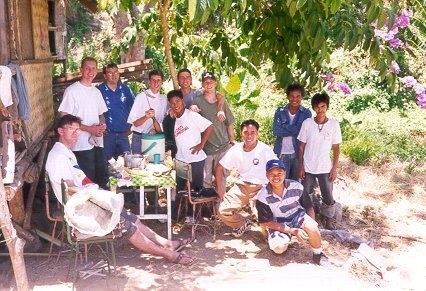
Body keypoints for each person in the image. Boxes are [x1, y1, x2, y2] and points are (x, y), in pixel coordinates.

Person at [45, 114, 194, 265]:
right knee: (128, 226)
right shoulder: (58, 156)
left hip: (88, 201)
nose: (75, 133)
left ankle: (166, 243)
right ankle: (169, 254)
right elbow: (70, 190)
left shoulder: (66, 152)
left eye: (77, 130)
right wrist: (97, 196)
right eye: (71, 129)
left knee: (130, 216)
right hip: (81, 209)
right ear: (60, 131)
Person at [255, 159, 327, 265]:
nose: (276, 177)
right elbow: (267, 222)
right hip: (278, 223)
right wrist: (293, 231)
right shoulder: (262, 196)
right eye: (272, 174)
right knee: (278, 248)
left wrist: (310, 227)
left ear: (285, 173)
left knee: (312, 227)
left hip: (297, 216)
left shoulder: (296, 186)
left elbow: (309, 207)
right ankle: (288, 239)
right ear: (267, 175)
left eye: (279, 173)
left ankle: (318, 254)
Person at [216, 119, 276, 237]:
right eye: (246, 132)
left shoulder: (265, 150)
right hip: (242, 185)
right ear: (241, 133)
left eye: (252, 132)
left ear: (257, 133)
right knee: (223, 210)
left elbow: (276, 170)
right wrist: (220, 190)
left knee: (263, 217)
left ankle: (273, 234)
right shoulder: (236, 149)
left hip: (261, 187)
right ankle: (242, 224)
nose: (249, 135)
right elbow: (219, 167)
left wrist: (272, 188)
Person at [58, 57, 108, 188]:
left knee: (100, 177)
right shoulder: (72, 91)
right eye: (87, 68)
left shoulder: (96, 92)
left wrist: (102, 126)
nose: (90, 71)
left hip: (97, 142)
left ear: (97, 71)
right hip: (79, 145)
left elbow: (101, 114)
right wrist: (89, 129)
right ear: (81, 70)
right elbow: (65, 117)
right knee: (86, 182)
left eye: (93, 68)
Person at [167, 89, 213, 223]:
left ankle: (195, 216)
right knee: (181, 189)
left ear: (182, 101)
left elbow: (209, 126)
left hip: (196, 159)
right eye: (172, 103)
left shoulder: (191, 115)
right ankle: (180, 214)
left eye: (177, 101)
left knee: (196, 189)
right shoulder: (173, 119)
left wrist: (201, 145)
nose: (175, 105)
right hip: (181, 159)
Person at [298, 93, 342, 229]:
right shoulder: (307, 123)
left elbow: (336, 148)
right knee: (306, 193)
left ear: (327, 107)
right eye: (317, 107)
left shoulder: (334, 125)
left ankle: (328, 220)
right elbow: (301, 146)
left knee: (328, 194)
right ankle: (309, 219)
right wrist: (301, 166)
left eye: (323, 106)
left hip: (325, 167)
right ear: (313, 108)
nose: (320, 109)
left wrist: (334, 168)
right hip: (308, 166)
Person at [163, 69, 226, 157]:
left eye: (187, 77)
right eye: (182, 77)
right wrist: (171, 110)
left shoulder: (199, 93)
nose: (185, 80)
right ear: (178, 80)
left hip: (198, 135)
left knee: (198, 158)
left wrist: (220, 109)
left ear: (191, 79)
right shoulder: (175, 96)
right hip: (180, 137)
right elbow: (169, 114)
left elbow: (221, 96)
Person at [192, 72, 235, 191]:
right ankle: (206, 207)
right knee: (206, 179)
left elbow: (229, 123)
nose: (208, 84)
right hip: (206, 147)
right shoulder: (197, 101)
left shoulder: (222, 102)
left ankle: (219, 206)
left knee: (221, 179)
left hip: (223, 146)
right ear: (202, 84)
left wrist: (232, 142)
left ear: (215, 83)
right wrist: (192, 109)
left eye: (211, 81)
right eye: (206, 82)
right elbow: (191, 121)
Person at [273, 83, 312, 181]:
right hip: (282, 153)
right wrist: (296, 129)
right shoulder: (280, 112)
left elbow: (305, 133)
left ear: (302, 97)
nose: (295, 99)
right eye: (292, 96)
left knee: (296, 183)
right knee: (281, 182)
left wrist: (285, 125)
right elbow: (276, 131)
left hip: (298, 154)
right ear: (287, 97)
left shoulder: (306, 113)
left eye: (298, 96)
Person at [97, 63, 135, 163]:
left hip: (124, 135)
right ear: (105, 75)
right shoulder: (98, 91)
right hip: (107, 136)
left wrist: (132, 127)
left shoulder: (125, 89)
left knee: (127, 165)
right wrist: (99, 126)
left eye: (116, 72)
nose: (114, 75)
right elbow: (93, 111)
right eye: (110, 73)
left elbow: (135, 109)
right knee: (106, 166)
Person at [128, 70, 167, 153]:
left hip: (155, 137)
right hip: (139, 137)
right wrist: (146, 117)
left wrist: (155, 130)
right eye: (153, 80)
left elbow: (163, 122)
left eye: (158, 80)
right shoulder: (141, 97)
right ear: (149, 82)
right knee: (138, 164)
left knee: (154, 164)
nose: (156, 83)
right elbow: (135, 123)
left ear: (162, 82)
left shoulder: (164, 99)